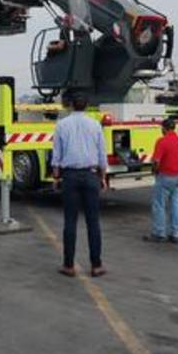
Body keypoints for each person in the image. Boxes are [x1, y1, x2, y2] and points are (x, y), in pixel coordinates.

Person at [51, 93, 107, 278]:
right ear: (87, 105)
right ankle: (96, 265)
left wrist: (56, 177)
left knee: (70, 222)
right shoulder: (95, 124)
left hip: (70, 176)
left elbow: (57, 154)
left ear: (71, 105)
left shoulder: (62, 125)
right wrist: (102, 176)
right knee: (93, 223)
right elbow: (101, 154)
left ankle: (68, 265)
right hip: (91, 175)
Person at [144, 116, 178, 244]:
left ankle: (159, 233)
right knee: (175, 205)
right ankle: (175, 233)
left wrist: (154, 170)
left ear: (164, 129)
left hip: (164, 176)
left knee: (159, 205)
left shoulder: (162, 141)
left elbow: (156, 160)